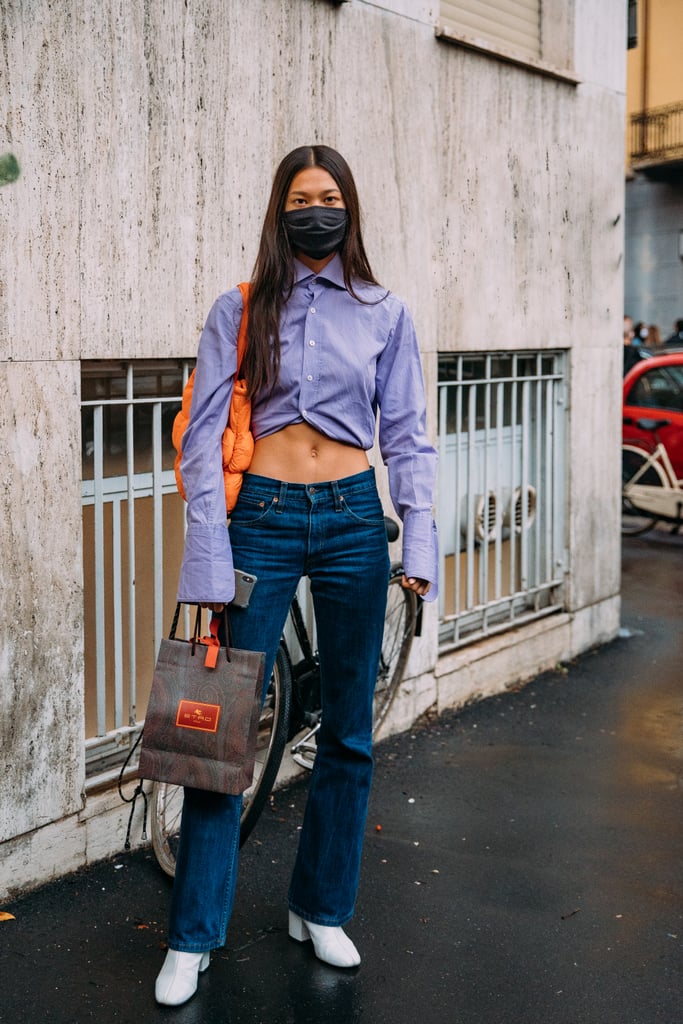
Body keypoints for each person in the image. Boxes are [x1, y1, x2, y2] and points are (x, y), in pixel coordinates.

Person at [154, 144, 439, 1006]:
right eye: (300, 198)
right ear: (279, 212)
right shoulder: (238, 309)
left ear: (349, 208)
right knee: (221, 730)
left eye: (330, 196)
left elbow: (409, 437)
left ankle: (319, 907)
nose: (316, 209)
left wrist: (418, 544)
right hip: (262, 524)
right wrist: (207, 552)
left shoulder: (385, 313)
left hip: (354, 520)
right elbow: (203, 438)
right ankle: (193, 934)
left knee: (348, 730)